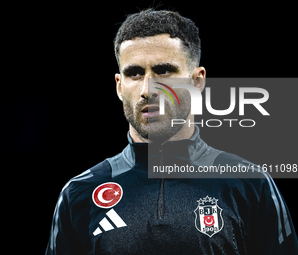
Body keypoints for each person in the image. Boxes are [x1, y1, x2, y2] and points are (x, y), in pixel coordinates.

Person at [46, 8, 298, 254]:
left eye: (163, 70)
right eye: (134, 73)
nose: (148, 89)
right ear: (119, 86)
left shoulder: (250, 184)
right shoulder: (79, 193)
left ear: (197, 81)